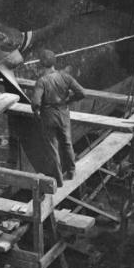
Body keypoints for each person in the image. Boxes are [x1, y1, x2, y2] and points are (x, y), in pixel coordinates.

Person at [31, 50, 85, 187]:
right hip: (63, 112)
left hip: (48, 115)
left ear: (42, 65)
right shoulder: (65, 77)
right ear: (54, 62)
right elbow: (81, 92)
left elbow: (36, 102)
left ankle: (58, 179)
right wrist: (69, 100)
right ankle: (72, 171)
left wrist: (36, 111)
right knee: (67, 142)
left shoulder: (42, 81)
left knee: (52, 147)